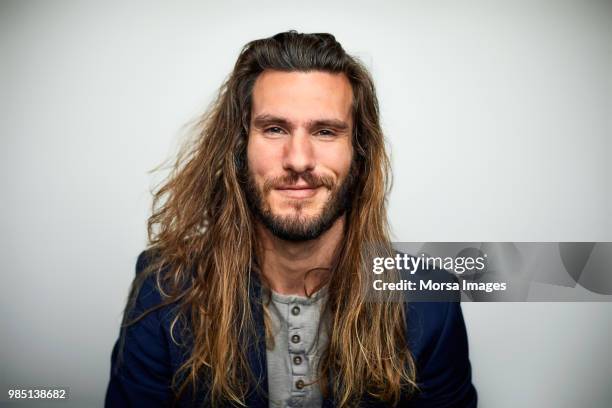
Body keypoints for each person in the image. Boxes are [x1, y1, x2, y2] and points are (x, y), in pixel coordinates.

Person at [105, 31, 477, 407]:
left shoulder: (430, 299)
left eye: (326, 131)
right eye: (274, 129)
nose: (298, 160)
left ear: (359, 155)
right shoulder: (165, 287)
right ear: (239, 149)